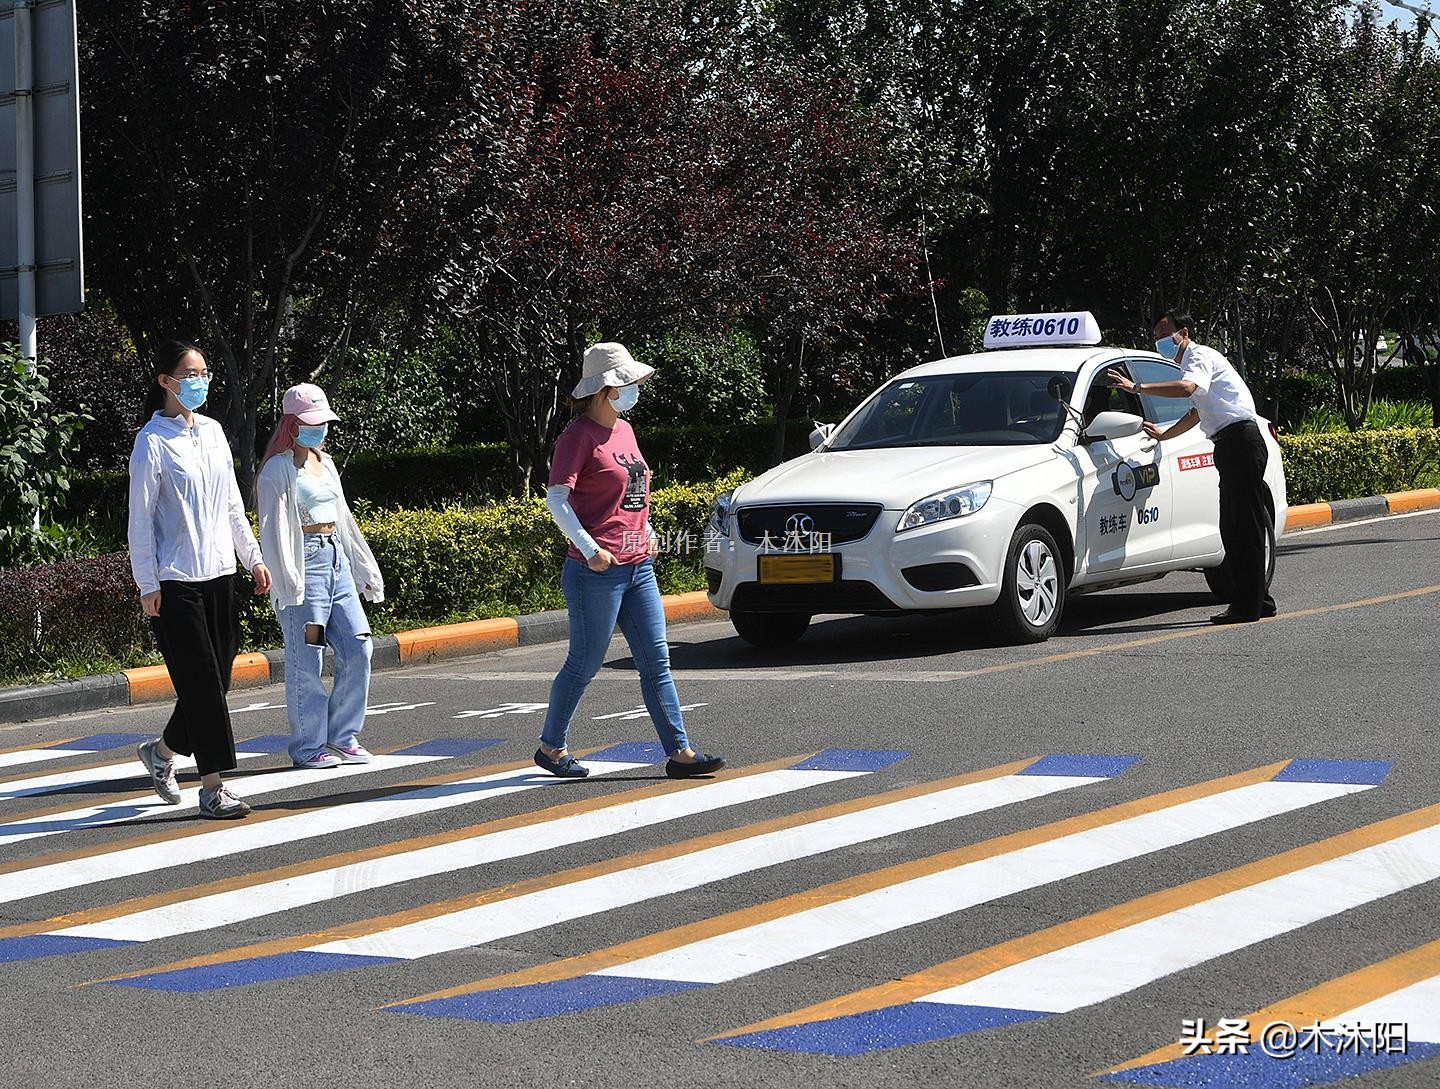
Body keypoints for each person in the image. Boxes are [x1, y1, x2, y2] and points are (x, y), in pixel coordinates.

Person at [538, 342, 725, 779]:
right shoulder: (576, 436)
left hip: (638, 565)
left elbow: (634, 492)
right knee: (584, 663)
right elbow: (557, 500)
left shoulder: (625, 430)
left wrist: (650, 530)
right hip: (595, 572)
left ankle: (680, 753)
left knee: (655, 660)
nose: (637, 389)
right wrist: (590, 548)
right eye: (631, 383)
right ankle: (551, 747)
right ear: (607, 389)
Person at [127, 341, 272, 819]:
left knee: (217, 680)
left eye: (205, 372)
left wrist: (252, 557)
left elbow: (232, 504)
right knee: (203, 684)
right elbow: (140, 521)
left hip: (220, 575)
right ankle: (212, 787)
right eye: (190, 373)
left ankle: (163, 752)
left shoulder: (212, 432)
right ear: (166, 382)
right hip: (174, 581)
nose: (201, 381)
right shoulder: (152, 442)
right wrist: (147, 582)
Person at [1111, 310, 1278, 624]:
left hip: (1240, 442)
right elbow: (1196, 412)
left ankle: (1248, 605)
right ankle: (1259, 600)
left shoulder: (1198, 356)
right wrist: (1165, 434)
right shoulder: (1193, 362)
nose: (1161, 341)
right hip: (1232, 444)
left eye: (1165, 334)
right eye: (1156, 337)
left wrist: (1137, 388)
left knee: (1243, 527)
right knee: (1234, 527)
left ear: (1183, 333)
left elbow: (1187, 389)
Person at [257, 384, 384, 769]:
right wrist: (287, 582)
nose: (320, 430)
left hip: (336, 563)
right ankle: (308, 745)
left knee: (358, 644)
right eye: (311, 424)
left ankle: (342, 736)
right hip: (306, 571)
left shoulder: (324, 463)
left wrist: (364, 568)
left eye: (323, 423)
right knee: (308, 653)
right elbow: (273, 530)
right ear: (291, 425)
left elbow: (343, 519)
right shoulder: (277, 469)